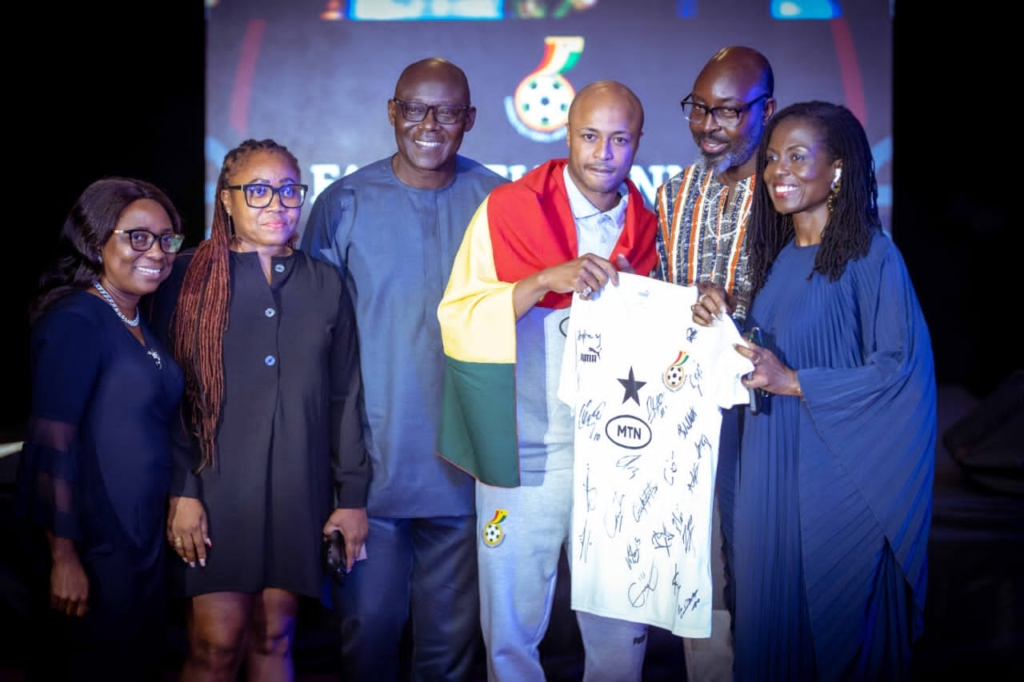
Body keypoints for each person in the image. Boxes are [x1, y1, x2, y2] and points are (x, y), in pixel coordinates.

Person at [692, 101, 936, 680]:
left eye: (799, 157)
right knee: (765, 627)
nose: (780, 170)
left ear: (839, 170)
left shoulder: (873, 257)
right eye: (773, 157)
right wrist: (722, 319)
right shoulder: (777, 262)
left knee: (833, 629)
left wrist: (796, 381)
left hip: (837, 478)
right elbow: (768, 357)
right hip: (766, 475)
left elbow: (899, 373)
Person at [437, 80, 658, 681]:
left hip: (619, 458)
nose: (603, 152)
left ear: (638, 142)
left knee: (619, 627)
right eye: (590, 136)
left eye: (619, 139)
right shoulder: (510, 210)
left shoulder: (647, 225)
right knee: (510, 629)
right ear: (567, 135)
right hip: (525, 452)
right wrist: (540, 281)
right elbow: (457, 313)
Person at [301, 57, 505, 680]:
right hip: (370, 471)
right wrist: (339, 476)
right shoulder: (344, 204)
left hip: (466, 471)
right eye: (414, 108)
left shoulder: (499, 201)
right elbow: (317, 346)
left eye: (446, 111)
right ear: (392, 112)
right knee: (368, 639)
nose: (429, 124)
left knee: (451, 649)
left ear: (469, 119)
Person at [148, 138, 369, 681]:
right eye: (259, 190)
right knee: (216, 643)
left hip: (299, 490)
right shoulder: (183, 278)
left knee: (274, 636)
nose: (278, 203)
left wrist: (352, 498)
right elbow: (168, 397)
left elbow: (345, 396)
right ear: (227, 200)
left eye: (289, 190)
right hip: (214, 490)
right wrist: (183, 492)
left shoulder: (324, 282)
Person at [16, 177, 185, 681]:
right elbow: (52, 441)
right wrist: (63, 556)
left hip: (141, 541)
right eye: (137, 236)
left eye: (166, 238)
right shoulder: (77, 319)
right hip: (94, 546)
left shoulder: (137, 320)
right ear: (95, 242)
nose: (156, 251)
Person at [653, 45, 776, 681]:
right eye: (698, 108)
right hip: (689, 420)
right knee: (701, 571)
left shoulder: (789, 199)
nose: (707, 125)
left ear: (766, 111)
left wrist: (737, 315)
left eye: (727, 112)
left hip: (771, 423)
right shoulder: (672, 195)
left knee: (762, 566)